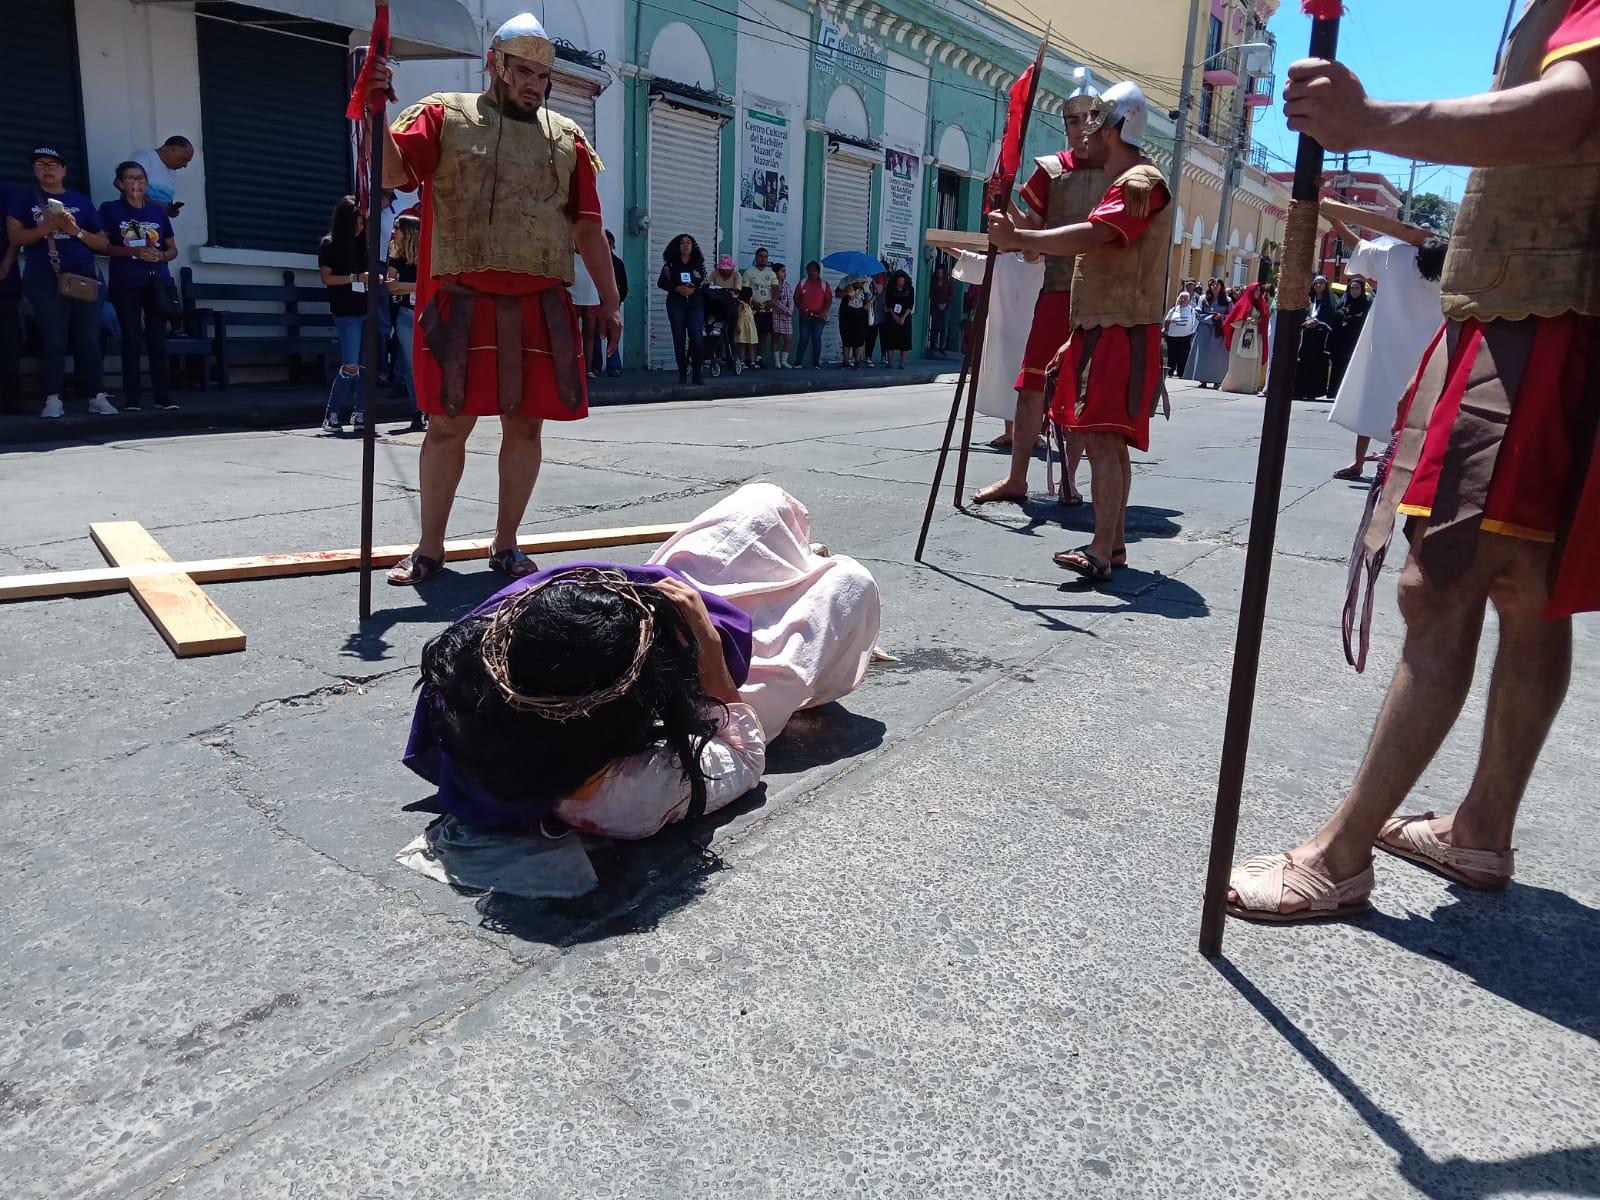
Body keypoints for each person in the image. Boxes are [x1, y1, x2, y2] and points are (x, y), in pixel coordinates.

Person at [1226, 0, 1600, 921]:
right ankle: (1479, 827)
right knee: (1528, 589)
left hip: (1543, 326)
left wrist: (1369, 124)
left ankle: (1338, 856)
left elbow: (1568, 113)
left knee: (1444, 586)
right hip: (1537, 317)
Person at [398, 484, 880, 890]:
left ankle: (783, 572)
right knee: (848, 584)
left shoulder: (474, 663)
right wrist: (709, 647)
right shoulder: (621, 797)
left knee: (763, 502)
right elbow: (744, 754)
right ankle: (802, 577)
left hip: (636, 650)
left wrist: (661, 605)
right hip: (708, 697)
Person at [369, 13, 621, 586]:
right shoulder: (443, 116)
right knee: (447, 427)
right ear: (497, 64)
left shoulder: (567, 139)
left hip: (540, 303)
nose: (535, 84)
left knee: (526, 428)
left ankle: (506, 543)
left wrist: (609, 301)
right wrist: (378, 107)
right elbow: (391, 172)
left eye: (543, 75)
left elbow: (587, 228)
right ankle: (429, 548)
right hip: (460, 300)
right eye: (524, 71)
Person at [988, 81, 1176, 582]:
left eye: (1091, 126)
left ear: (1112, 129)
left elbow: (1094, 236)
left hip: (1121, 329)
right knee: (1106, 443)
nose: (1081, 136)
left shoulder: (1141, 183)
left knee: (1101, 442)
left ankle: (1099, 550)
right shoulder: (1126, 181)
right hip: (1102, 325)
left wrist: (1021, 235)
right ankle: (1110, 546)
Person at [972, 70, 1104, 507]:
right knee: (1030, 386)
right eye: (1071, 118)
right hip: (1055, 292)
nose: (1080, 126)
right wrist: (1003, 200)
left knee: (1085, 396)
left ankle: (1069, 478)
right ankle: (1017, 478)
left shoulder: (1119, 173)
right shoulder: (1052, 171)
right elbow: (1030, 240)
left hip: (1099, 297)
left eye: (1089, 116)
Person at [1326, 212, 1448, 480]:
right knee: (1422, 410)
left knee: (1374, 399)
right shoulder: (1448, 274)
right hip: (1426, 353)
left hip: (1387, 345)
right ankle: (1415, 464)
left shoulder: (1397, 258)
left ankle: (1359, 462)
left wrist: (1337, 222)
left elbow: (1359, 246)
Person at [6, 147, 114, 418]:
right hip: (44, 275)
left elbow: (103, 243)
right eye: (40, 164)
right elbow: (15, 238)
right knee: (54, 338)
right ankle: (52, 398)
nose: (47, 168)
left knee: (89, 337)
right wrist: (47, 228)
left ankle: (96, 395)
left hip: (83, 273)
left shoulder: (81, 201)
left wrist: (73, 230)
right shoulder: (23, 199)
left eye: (53, 163)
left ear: (64, 169)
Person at [100, 160, 179, 412]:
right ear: (120, 183)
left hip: (156, 281)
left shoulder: (157, 211)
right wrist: (128, 251)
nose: (136, 183)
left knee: (158, 339)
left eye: (141, 178)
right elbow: (102, 246)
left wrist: (160, 256)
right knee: (131, 338)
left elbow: (172, 249)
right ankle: (132, 398)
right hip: (126, 281)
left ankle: (162, 396)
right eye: (130, 178)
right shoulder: (110, 209)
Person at [949, 245, 1045, 451]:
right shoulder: (1002, 263)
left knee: (1034, 385)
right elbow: (971, 259)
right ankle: (1010, 432)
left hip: (1035, 333)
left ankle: (1034, 433)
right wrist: (943, 243)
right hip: (1006, 334)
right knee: (1007, 382)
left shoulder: (1047, 264)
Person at [317, 195, 369, 432]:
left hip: (365, 306)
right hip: (345, 309)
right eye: (355, 224)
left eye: (362, 224)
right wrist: (354, 279)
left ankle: (360, 413)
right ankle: (332, 413)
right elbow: (326, 278)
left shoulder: (361, 245)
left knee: (365, 365)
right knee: (350, 365)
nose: (359, 229)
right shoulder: (330, 244)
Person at [386, 213, 424, 432]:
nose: (393, 233)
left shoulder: (426, 254)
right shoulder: (396, 255)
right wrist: (411, 286)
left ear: (409, 232)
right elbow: (391, 285)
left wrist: (405, 286)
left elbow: (428, 284)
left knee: (429, 361)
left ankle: (431, 406)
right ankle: (416, 411)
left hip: (426, 314)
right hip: (405, 314)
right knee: (410, 366)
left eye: (397, 228)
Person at [658, 233, 707, 385]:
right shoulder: (670, 265)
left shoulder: (698, 264)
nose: (686, 245)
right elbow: (662, 282)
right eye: (682, 243)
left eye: (688, 243)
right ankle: (682, 372)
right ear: (677, 247)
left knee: (697, 338)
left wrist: (694, 289)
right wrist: (676, 288)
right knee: (679, 339)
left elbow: (704, 284)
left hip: (695, 304)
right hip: (676, 304)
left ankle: (697, 373)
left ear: (692, 247)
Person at [1293, 275, 1340, 399]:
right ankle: (1300, 390)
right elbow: (1302, 315)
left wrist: (1319, 323)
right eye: (1316, 284)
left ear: (1325, 286)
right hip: (1307, 336)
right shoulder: (1308, 301)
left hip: (1321, 337)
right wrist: (1307, 321)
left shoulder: (1329, 302)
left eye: (1321, 283)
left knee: (1317, 364)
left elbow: (1331, 319)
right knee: (1303, 362)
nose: (1318, 285)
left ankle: (1313, 391)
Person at [1220, 279, 1270, 394]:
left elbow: (1265, 319)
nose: (1257, 292)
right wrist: (1244, 320)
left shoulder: (1262, 305)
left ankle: (1249, 386)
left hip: (1255, 336)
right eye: (1255, 290)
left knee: (1252, 361)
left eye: (1259, 290)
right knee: (1239, 360)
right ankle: (1234, 384)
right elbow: (1232, 320)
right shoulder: (1242, 303)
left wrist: (1258, 320)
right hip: (1241, 335)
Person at [131, 135, 193, 219]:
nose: (185, 165)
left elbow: (164, 198)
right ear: (171, 150)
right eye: (184, 159)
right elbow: (129, 188)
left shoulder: (172, 169)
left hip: (158, 222)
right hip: (137, 220)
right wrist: (157, 206)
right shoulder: (144, 157)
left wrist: (170, 210)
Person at [1328, 274, 1371, 396]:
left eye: (1357, 288)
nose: (1354, 290)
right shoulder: (1343, 303)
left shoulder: (1366, 305)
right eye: (1352, 288)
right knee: (1339, 366)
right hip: (1341, 342)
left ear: (1361, 289)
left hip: (1356, 342)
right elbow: (1336, 321)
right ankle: (1334, 391)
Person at [1182, 278, 1229, 388]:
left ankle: (1217, 380)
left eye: (1217, 285)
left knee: (1218, 357)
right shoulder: (1203, 298)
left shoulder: (1227, 300)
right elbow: (1198, 313)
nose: (1215, 286)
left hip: (1219, 331)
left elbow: (1230, 315)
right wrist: (1211, 318)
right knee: (1203, 355)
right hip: (1204, 330)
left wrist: (1221, 317)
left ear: (1221, 286)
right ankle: (1202, 379)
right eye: (1213, 284)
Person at [594, 229, 627, 377]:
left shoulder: (618, 264)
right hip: (595, 303)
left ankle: (614, 366)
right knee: (595, 335)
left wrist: (617, 301)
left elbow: (624, 285)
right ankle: (595, 366)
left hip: (612, 304)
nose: (608, 246)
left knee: (612, 334)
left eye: (610, 243)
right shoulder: (593, 261)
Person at [0, 180, 20, 416]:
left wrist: (6, 265)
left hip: (5, 279)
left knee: (8, 343)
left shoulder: (8, 191)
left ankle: (9, 400)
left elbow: (15, 234)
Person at [791, 260, 831, 367]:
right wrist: (801, 308)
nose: (811, 273)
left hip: (819, 317)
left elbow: (828, 300)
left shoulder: (824, 284)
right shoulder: (803, 283)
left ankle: (816, 363)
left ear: (818, 272)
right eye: (809, 271)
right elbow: (796, 297)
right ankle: (798, 362)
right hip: (805, 317)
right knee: (803, 339)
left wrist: (823, 313)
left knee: (816, 339)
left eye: (813, 271)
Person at [745, 247, 777, 367]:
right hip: (752, 310)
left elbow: (775, 289)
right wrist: (753, 302)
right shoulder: (749, 272)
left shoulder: (771, 273)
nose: (763, 258)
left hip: (767, 309)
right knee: (751, 334)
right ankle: (749, 359)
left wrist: (772, 301)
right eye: (761, 256)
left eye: (765, 256)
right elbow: (745, 291)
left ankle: (759, 358)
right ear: (756, 257)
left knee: (763, 335)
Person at [880, 268, 915, 368]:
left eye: (902, 281)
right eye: (899, 281)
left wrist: (903, 317)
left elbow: (910, 305)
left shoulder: (910, 290)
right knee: (890, 340)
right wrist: (894, 316)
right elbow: (888, 304)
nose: (900, 283)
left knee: (904, 341)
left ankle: (902, 363)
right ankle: (890, 362)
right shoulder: (891, 289)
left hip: (905, 317)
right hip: (892, 317)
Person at [1161, 290, 1198, 378]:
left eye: (1185, 298)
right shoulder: (1174, 309)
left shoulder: (1192, 310)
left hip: (1185, 336)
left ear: (1188, 300)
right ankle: (1170, 372)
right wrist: (1165, 329)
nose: (1182, 300)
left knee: (1183, 356)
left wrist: (1193, 333)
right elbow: (1167, 320)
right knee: (1172, 355)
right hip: (1172, 336)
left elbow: (1194, 322)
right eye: (1181, 298)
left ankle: (1181, 373)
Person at [836, 275, 870, 368]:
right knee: (846, 337)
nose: (860, 283)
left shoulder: (867, 283)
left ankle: (857, 361)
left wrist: (870, 301)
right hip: (846, 313)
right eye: (859, 282)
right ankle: (846, 361)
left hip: (860, 314)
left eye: (862, 282)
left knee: (859, 338)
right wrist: (846, 291)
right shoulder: (845, 281)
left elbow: (869, 298)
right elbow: (837, 294)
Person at [927, 262, 954, 358]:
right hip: (935, 305)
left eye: (941, 272)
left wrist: (945, 304)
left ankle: (942, 348)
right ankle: (933, 347)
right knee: (934, 327)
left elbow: (951, 294)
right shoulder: (933, 281)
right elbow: (931, 293)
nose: (940, 274)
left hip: (946, 306)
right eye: (938, 272)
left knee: (944, 328)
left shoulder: (948, 280)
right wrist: (937, 303)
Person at [769, 262, 793, 369]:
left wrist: (789, 310)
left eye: (785, 271)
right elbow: (773, 301)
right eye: (782, 271)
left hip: (787, 315)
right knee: (776, 337)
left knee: (788, 338)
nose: (785, 273)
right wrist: (785, 310)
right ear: (776, 273)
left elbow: (791, 300)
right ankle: (777, 361)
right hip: (776, 313)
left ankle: (784, 360)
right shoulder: (772, 285)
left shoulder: (787, 285)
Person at [863, 272, 886, 365]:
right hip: (872, 310)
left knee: (883, 335)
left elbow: (879, 290)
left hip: (882, 310)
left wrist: (874, 281)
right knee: (871, 335)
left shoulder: (884, 278)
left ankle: (883, 356)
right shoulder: (868, 279)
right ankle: (868, 356)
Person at [735, 284, 759, 368]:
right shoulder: (741, 304)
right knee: (742, 344)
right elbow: (739, 315)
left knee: (751, 344)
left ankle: (752, 362)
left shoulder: (749, 306)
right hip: (743, 326)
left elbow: (750, 314)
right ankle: (742, 362)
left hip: (750, 327)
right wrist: (738, 325)